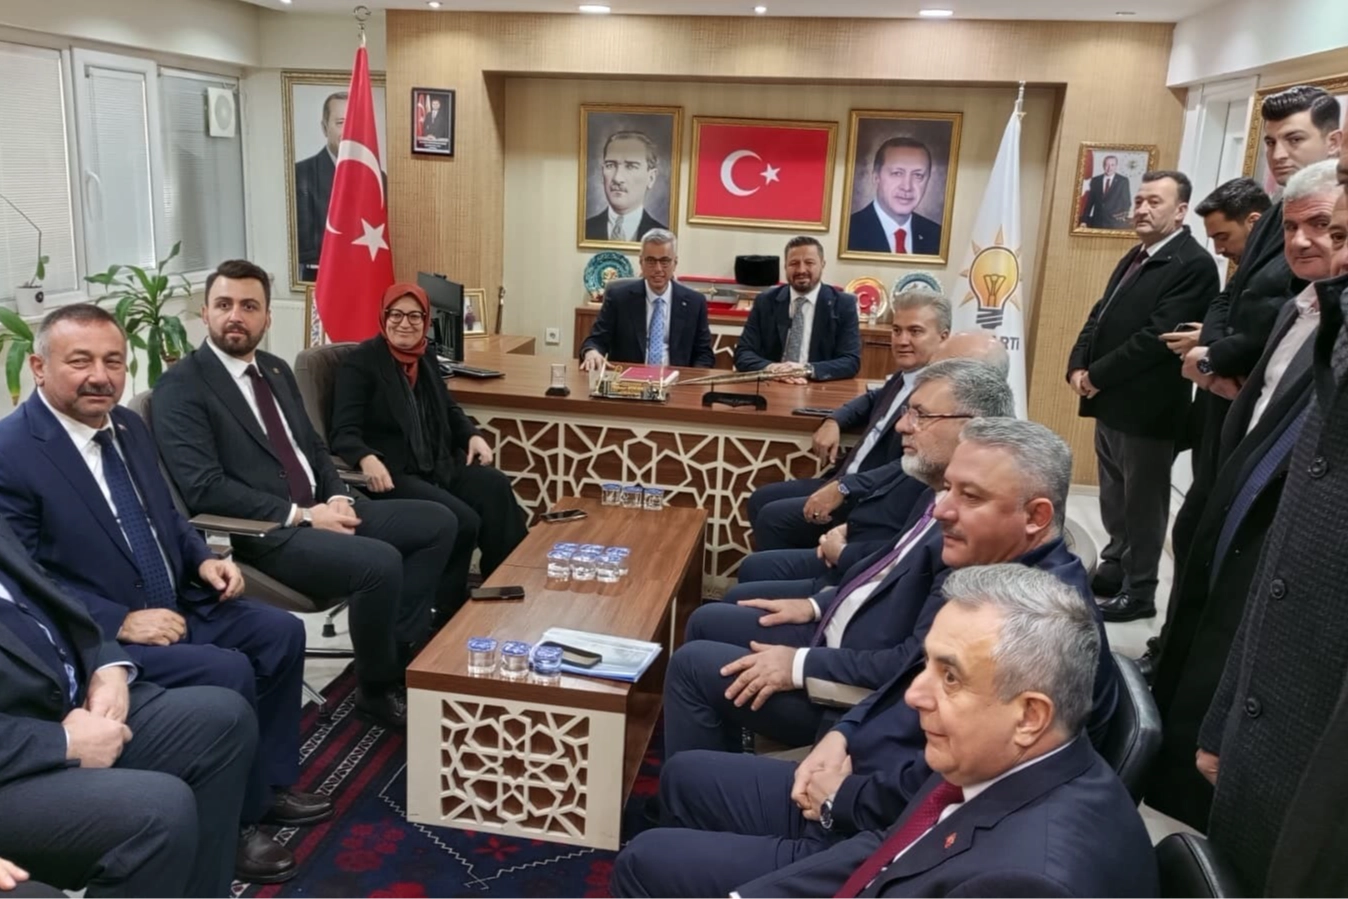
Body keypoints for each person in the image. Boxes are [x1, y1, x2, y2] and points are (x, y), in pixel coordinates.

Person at [0, 304, 328, 883]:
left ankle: (268, 787)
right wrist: (117, 622)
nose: (100, 376)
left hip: (177, 598)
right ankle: (236, 825)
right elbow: (28, 581)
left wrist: (203, 560)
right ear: (39, 367)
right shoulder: (13, 451)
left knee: (279, 632)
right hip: (108, 628)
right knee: (228, 671)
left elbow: (167, 518)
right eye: (80, 362)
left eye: (113, 361)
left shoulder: (127, 426)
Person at [612, 564, 1148, 899]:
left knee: (644, 862)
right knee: (663, 829)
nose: (915, 695)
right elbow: (894, 848)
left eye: (951, 677)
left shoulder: (1027, 884)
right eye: (927, 666)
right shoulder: (999, 762)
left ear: (1030, 716)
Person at [151, 259, 458, 730]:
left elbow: (313, 448)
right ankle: (376, 692)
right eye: (224, 304)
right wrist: (304, 515)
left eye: (249, 306)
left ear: (267, 317)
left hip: (321, 510)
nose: (236, 315)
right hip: (265, 533)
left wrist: (337, 497)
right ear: (205, 313)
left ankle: (395, 652)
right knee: (379, 562)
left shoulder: (275, 369)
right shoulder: (182, 386)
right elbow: (205, 488)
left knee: (438, 523)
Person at [662, 362, 1016, 760]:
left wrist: (798, 664)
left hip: (848, 692)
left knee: (691, 666)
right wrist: (815, 606)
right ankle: (723, 759)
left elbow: (908, 664)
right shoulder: (935, 489)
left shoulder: (967, 532)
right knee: (707, 620)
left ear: (973, 427)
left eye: (921, 415)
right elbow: (884, 571)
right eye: (907, 412)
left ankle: (699, 779)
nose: (903, 426)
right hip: (838, 633)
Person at [1146, 161, 1347, 831]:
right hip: (1230, 494)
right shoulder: (1300, 306)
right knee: (1195, 649)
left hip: (1283, 536)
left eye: (1327, 228)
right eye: (1293, 227)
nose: (1305, 241)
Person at [1196, 140, 1348, 897]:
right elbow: (1286, 560)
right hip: (1268, 717)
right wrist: (1225, 714)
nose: (1312, 245)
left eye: (1333, 230)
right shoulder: (1323, 320)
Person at [0, 514, 258, 899]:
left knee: (224, 719)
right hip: (18, 758)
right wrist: (62, 742)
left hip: (71, 702)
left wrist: (108, 665)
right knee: (160, 810)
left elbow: (52, 592)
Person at [1164, 87, 1342, 592]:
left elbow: (1279, 317)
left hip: (1266, 398)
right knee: (1198, 527)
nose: (1279, 153)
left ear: (1333, 141)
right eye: (1270, 142)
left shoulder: (1328, 213)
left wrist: (1212, 357)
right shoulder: (1277, 209)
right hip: (1226, 394)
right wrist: (1210, 353)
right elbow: (1231, 295)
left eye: (1294, 139)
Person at [732, 332, 1009, 594]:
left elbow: (908, 557)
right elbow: (872, 399)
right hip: (859, 530)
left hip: (865, 560)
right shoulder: (915, 395)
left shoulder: (969, 474)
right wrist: (835, 420)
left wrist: (840, 558)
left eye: (945, 368)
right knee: (760, 524)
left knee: (765, 540)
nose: (903, 425)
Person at [1067, 170, 1220, 621]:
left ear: (1180, 211)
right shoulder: (1137, 254)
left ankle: (1140, 591)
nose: (1142, 209)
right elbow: (1100, 314)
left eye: (1155, 202)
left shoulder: (1192, 264)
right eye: (1139, 201)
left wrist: (1097, 375)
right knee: (1114, 496)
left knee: (1143, 505)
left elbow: (1157, 337)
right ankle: (1115, 566)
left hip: (1149, 409)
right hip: (1111, 403)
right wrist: (1077, 365)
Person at [329, 282, 527, 622]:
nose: (404, 323)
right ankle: (442, 612)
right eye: (396, 314)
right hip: (394, 473)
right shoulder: (361, 363)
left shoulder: (425, 356)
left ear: (425, 321)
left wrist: (471, 436)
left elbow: (448, 409)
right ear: (384, 316)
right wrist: (365, 457)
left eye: (414, 316)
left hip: (437, 463)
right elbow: (342, 431)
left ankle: (505, 584)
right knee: (463, 520)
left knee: (494, 486)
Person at [745, 289, 951, 551]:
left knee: (772, 519)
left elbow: (909, 467)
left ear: (943, 337)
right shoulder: (905, 377)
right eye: (897, 330)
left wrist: (845, 487)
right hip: (845, 480)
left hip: (870, 499)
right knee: (760, 499)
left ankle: (799, 571)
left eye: (915, 331)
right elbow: (870, 399)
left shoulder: (937, 395)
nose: (902, 340)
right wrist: (834, 420)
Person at [578, 230, 714, 368]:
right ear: (641, 262)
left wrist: (693, 378)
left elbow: (704, 354)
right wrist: (591, 352)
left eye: (665, 261)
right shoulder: (619, 298)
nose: (658, 268)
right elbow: (596, 340)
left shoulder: (695, 302)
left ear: (675, 263)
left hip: (677, 377)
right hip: (628, 377)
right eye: (650, 261)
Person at [734, 236, 861, 382]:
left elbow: (850, 361)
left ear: (822, 265)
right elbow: (743, 354)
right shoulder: (766, 301)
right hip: (773, 384)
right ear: (785, 267)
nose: (801, 270)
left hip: (817, 386)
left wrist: (806, 370)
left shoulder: (843, 305)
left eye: (809, 263)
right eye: (794, 263)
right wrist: (772, 369)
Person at [846, 138, 943, 255]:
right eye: (897, 173)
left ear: (928, 180)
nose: (907, 187)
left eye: (918, 175)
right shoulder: (847, 232)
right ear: (876, 177)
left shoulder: (938, 236)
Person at [294, 91, 345, 283]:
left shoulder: (378, 179)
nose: (349, 130)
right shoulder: (301, 175)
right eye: (340, 123)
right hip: (319, 281)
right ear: (324, 128)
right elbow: (305, 248)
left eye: (355, 123)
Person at [584, 130, 667, 242]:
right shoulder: (584, 230)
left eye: (631, 166)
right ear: (602, 173)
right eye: (610, 165)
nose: (617, 178)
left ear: (651, 178)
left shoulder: (664, 237)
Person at [1078, 154, 1133, 229]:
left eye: (1112, 165)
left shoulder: (1123, 181)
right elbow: (1089, 203)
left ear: (1116, 166)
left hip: (1115, 224)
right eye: (1107, 165)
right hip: (1097, 222)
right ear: (1103, 165)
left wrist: (1120, 219)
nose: (1109, 168)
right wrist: (1084, 220)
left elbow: (1126, 203)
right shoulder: (1095, 180)